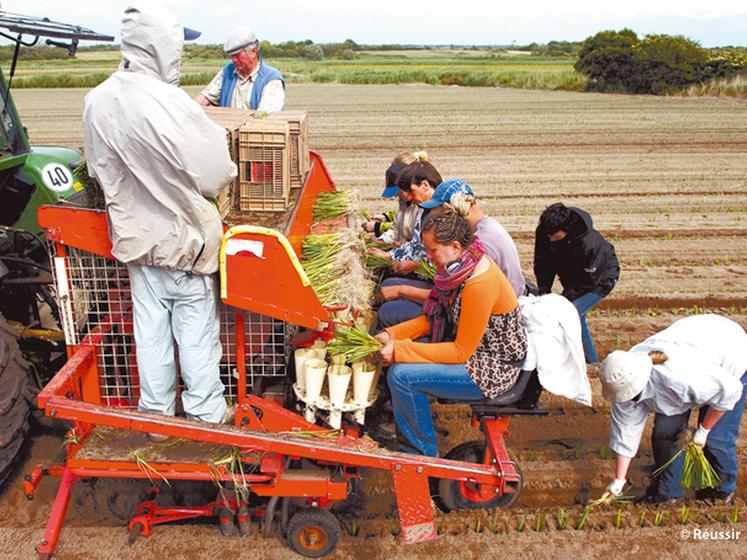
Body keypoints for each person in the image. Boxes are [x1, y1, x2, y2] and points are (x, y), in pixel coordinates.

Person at [83, 3, 237, 430]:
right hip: (185, 246)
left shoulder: (97, 100)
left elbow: (98, 170)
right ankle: (205, 418)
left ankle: (156, 419)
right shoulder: (172, 103)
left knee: (149, 336)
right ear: (161, 46)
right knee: (196, 338)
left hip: (137, 244)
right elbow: (215, 174)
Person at [375, 207, 527, 456]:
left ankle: (421, 455)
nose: (428, 256)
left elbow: (460, 352)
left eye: (433, 250)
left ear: (455, 247)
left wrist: (400, 349)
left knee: (402, 376)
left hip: (490, 368)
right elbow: (438, 315)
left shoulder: (478, 283)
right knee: (407, 358)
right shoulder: (461, 268)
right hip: (476, 352)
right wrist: (393, 334)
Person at [596, 315, 747, 504]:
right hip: (690, 345)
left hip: (730, 351)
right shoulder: (621, 379)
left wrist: (703, 430)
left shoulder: (681, 378)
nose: (629, 400)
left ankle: (721, 490)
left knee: (716, 439)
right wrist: (619, 480)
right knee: (665, 433)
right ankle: (668, 492)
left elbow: (730, 391)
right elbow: (626, 433)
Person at [533, 203, 619, 363]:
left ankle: (591, 361)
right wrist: (544, 290)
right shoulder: (546, 232)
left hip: (599, 280)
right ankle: (581, 357)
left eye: (556, 237)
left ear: (567, 229)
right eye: (548, 236)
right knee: (573, 314)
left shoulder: (589, 243)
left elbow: (589, 280)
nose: (551, 240)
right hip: (572, 275)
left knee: (572, 314)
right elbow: (543, 262)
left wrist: (565, 298)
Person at [371, 160, 442, 330]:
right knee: (388, 286)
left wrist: (403, 287)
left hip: (441, 297)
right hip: (436, 285)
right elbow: (419, 247)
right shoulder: (426, 210)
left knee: (387, 311)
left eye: (411, 192)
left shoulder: (441, 218)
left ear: (425, 185)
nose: (409, 198)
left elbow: (448, 294)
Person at [194, 26, 285, 112]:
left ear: (253, 51)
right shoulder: (228, 71)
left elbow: (264, 117)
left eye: (237, 55)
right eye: (232, 56)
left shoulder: (272, 79)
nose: (233, 60)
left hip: (255, 128)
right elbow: (206, 97)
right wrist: (186, 108)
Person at [362, 152, 424, 245]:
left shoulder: (422, 203)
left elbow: (408, 227)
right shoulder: (406, 199)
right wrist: (386, 217)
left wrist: (378, 227)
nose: (396, 196)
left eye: (397, 192)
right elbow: (402, 218)